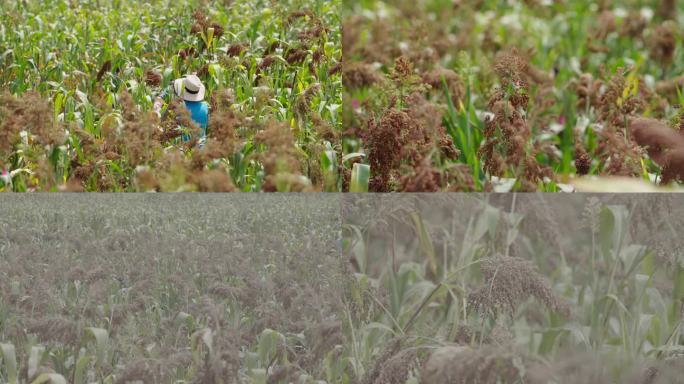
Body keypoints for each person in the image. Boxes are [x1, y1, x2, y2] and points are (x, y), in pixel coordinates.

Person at [153, 74, 209, 146]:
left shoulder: (178, 108)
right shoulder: (205, 106)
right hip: (201, 150)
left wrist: (157, 110)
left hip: (181, 150)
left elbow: (162, 125)